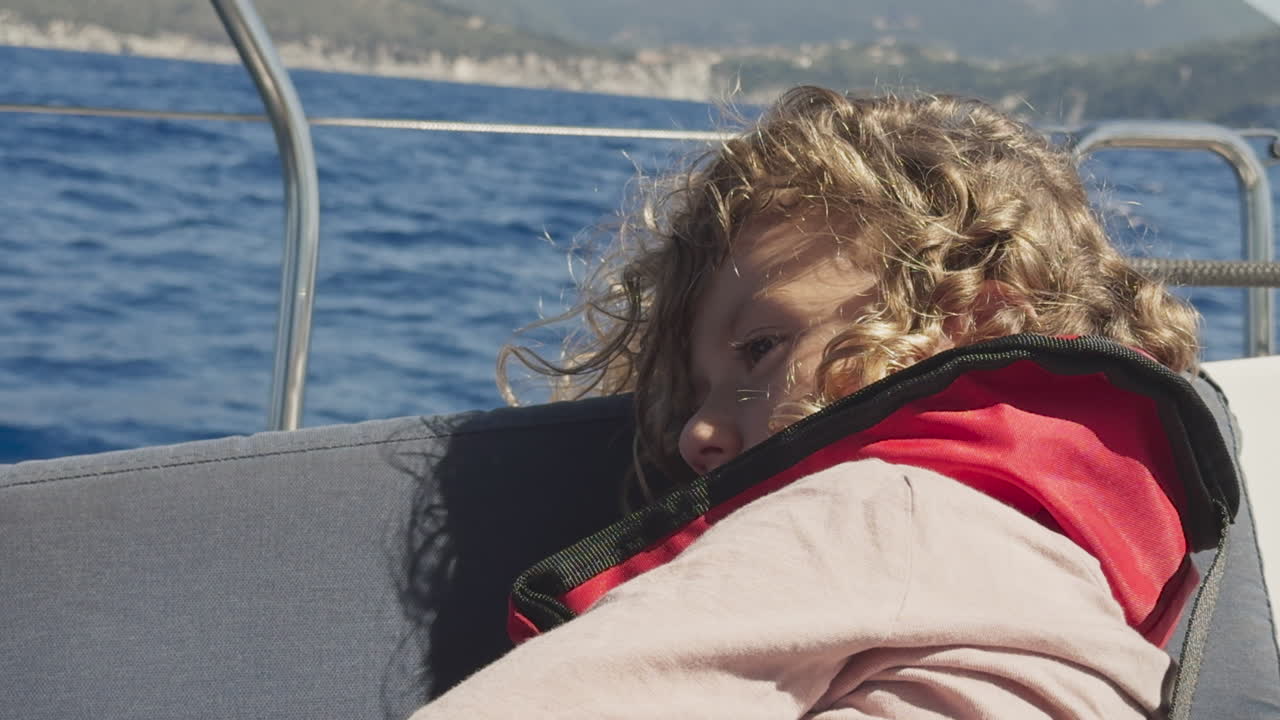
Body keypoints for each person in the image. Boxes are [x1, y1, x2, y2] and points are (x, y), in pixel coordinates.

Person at [410, 86, 1214, 718]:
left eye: (760, 347)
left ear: (972, 327)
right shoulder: (1106, 567)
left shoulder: (875, 509)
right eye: (694, 395)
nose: (696, 432)